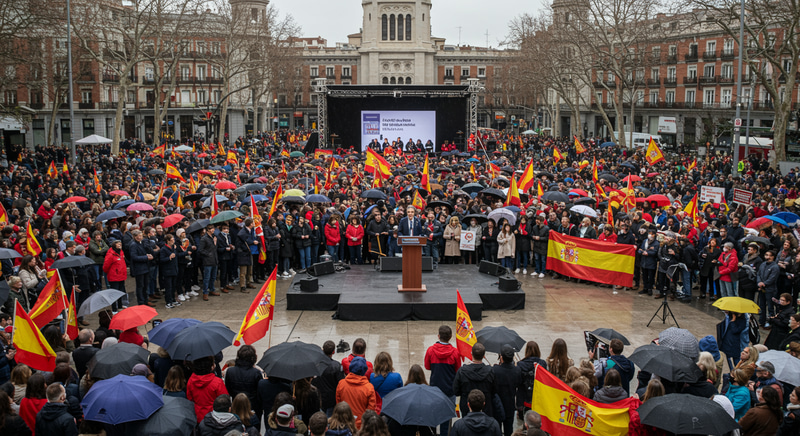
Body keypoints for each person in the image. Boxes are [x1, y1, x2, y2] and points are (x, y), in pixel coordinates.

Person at [424, 325, 460, 436]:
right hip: (449, 390)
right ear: (450, 337)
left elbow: (427, 366)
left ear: (438, 336)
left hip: (435, 389)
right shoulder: (455, 353)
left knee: (433, 416)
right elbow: (457, 370)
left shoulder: (430, 350)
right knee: (446, 417)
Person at [225, 345, 264, 429]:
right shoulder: (256, 373)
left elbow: (228, 389)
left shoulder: (230, 371)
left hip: (236, 405)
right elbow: (260, 391)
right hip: (253, 407)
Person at [453, 343, 496, 419]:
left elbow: (456, 391)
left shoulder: (462, 371)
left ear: (471, 354)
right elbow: (495, 390)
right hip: (485, 407)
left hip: (467, 406)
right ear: (484, 356)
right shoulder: (491, 371)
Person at [335, 357, 376, 428]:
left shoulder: (341, 384)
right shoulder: (369, 387)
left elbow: (338, 403)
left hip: (344, 422)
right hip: (361, 424)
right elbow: (371, 410)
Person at [188, 356, 229, 423]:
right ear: (211, 367)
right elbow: (224, 400)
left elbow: (190, 399)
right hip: (215, 417)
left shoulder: (191, 381)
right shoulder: (217, 382)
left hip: (197, 415)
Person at [492, 345, 521, 436]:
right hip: (510, 404)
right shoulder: (517, 370)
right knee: (509, 429)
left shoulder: (495, 370)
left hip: (497, 404)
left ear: (501, 357)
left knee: (497, 428)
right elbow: (518, 383)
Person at [313, 340, 345, 416]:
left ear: (322, 349)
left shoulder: (315, 364)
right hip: (331, 399)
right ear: (333, 352)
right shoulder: (336, 366)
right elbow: (341, 382)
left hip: (319, 397)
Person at [516, 341, 546, 415]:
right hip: (538, 398)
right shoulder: (542, 364)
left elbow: (518, 382)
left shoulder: (520, 364)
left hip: (523, 399)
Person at [757, 250, 780, 327]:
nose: (768, 257)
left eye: (770, 255)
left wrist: (764, 283)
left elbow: (772, 278)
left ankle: (771, 322)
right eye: (766, 255)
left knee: (770, 307)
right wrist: (759, 283)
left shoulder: (775, 266)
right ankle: (762, 321)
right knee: (762, 306)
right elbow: (758, 274)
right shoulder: (763, 264)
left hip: (770, 289)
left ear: (773, 257)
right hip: (761, 288)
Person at [198, 225, 220, 300]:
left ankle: (212, 289)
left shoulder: (214, 237)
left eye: (213, 228)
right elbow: (201, 250)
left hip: (214, 260)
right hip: (208, 261)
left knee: (213, 277)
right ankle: (205, 292)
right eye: (210, 229)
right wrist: (208, 254)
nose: (212, 230)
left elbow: (215, 248)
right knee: (207, 277)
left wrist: (215, 242)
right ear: (207, 230)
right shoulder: (204, 239)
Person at [637, 230, 659, 296]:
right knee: (644, 276)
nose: (650, 235)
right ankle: (645, 288)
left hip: (651, 262)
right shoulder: (645, 241)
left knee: (651, 276)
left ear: (654, 235)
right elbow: (641, 249)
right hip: (644, 261)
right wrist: (641, 252)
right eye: (649, 234)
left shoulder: (656, 243)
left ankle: (649, 289)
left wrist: (648, 253)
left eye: (651, 234)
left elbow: (655, 252)